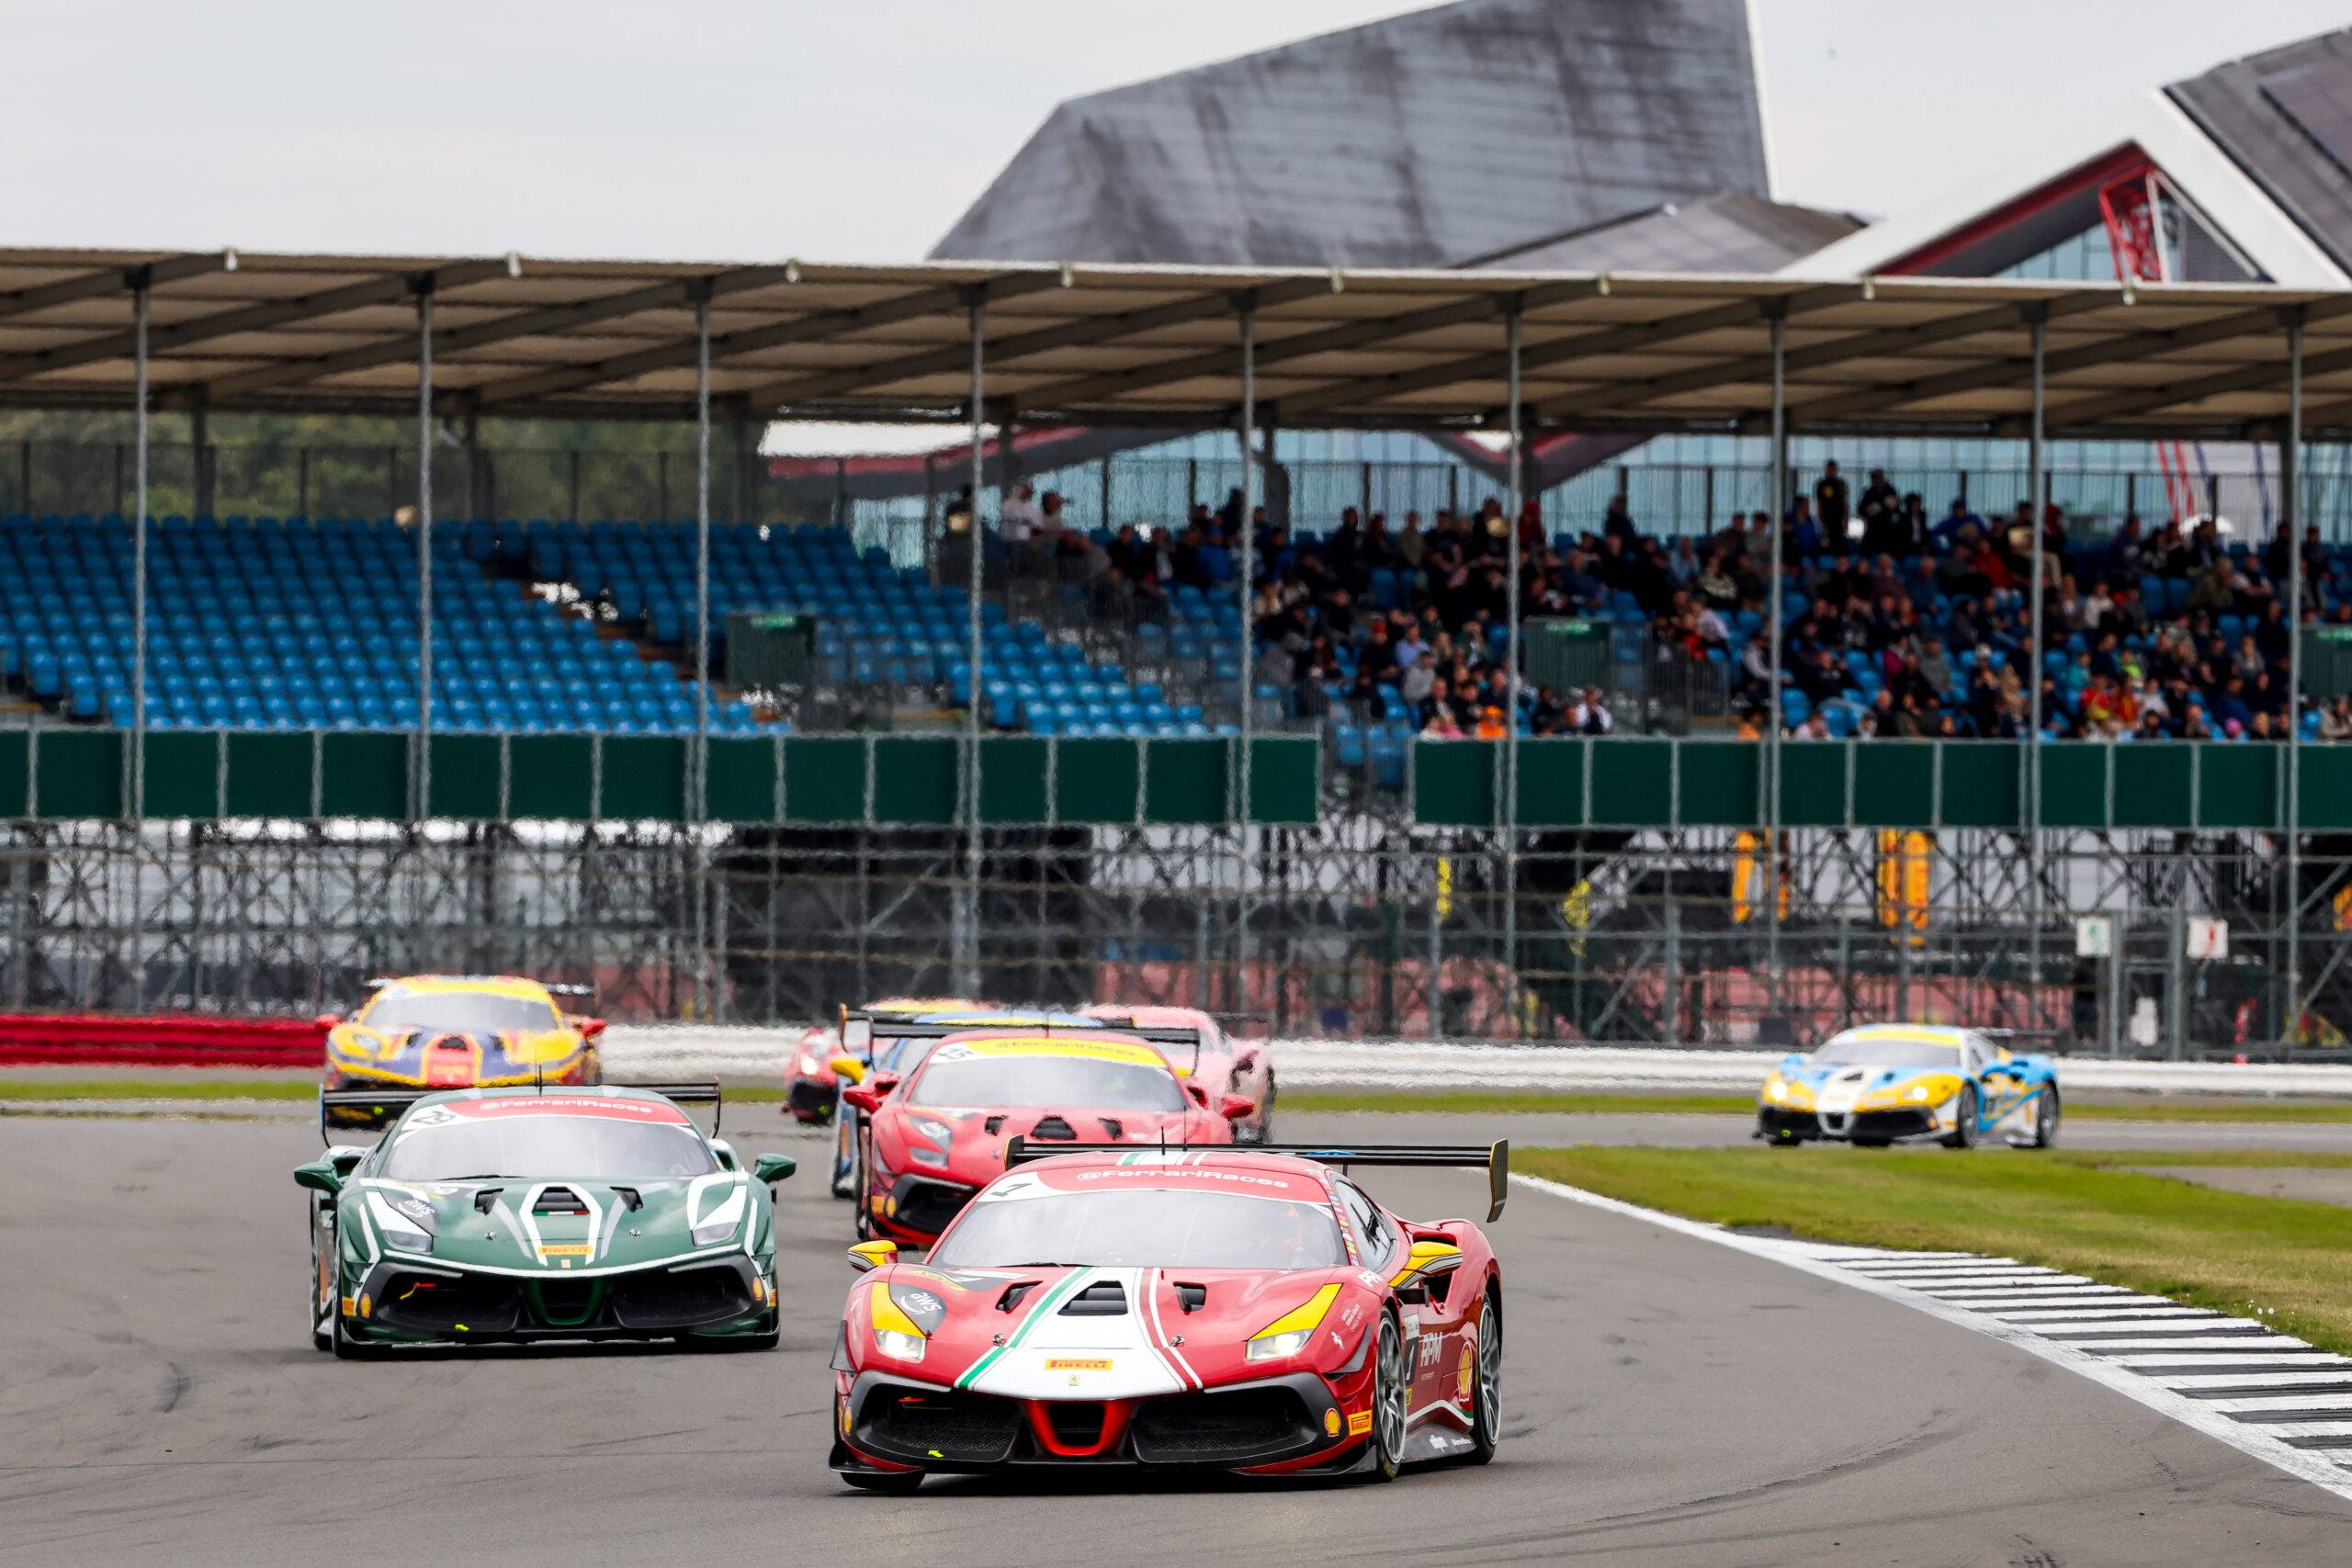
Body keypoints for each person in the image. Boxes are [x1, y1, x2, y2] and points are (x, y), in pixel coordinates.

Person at [1814, 461, 1850, 543]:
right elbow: (1819, 503)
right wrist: (1821, 520)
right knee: (1826, 542)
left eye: (1833, 469)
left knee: (1839, 541)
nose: (1831, 471)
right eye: (1829, 469)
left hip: (1838, 517)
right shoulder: (1822, 484)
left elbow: (1845, 502)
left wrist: (1846, 520)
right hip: (1826, 517)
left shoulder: (1841, 484)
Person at [999, 482, 1044, 547]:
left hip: (1028, 542)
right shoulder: (1008, 503)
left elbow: (1037, 524)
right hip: (1011, 540)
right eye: (1026, 491)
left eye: (1030, 492)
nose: (1029, 494)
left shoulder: (1031, 508)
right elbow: (1009, 516)